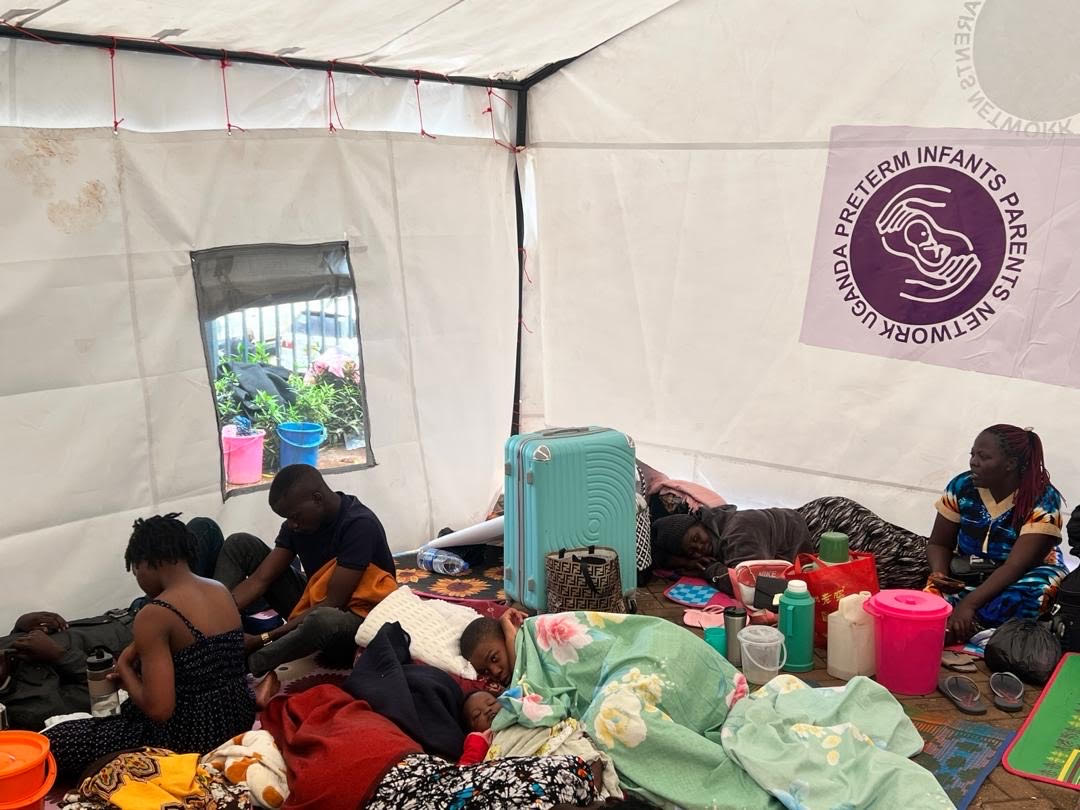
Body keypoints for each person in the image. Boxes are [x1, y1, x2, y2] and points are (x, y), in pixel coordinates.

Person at [43, 514, 255, 781]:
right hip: (237, 716)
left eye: (136, 570)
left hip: (190, 736)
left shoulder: (156, 612)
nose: (139, 579)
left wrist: (124, 671)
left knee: (57, 741)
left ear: (147, 561)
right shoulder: (220, 589)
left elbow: (160, 710)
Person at [212, 465, 397, 692]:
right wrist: (218, 614)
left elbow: (332, 604)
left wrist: (262, 639)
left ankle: (245, 664)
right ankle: (213, 633)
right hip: (313, 603)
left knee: (323, 620)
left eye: (294, 516)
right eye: (287, 519)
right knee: (240, 544)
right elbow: (260, 580)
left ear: (318, 499)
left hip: (356, 619)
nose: (292, 524)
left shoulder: (358, 525)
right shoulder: (297, 525)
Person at [926, 425, 1068, 643]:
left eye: (983, 457)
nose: (974, 461)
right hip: (969, 569)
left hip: (1021, 574)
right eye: (972, 454)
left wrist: (969, 604)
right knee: (927, 593)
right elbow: (939, 543)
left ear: (1010, 464)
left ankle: (980, 628)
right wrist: (938, 576)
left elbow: (1015, 566)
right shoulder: (962, 486)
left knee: (1037, 593)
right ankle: (976, 628)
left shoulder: (1042, 498)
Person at [0, 610, 134, 730]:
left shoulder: (5, 651)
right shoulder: (28, 710)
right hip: (143, 645)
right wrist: (61, 656)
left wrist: (19, 629)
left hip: (128, 614)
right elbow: (109, 696)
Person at [650, 505, 812, 588]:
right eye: (693, 551)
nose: (700, 546)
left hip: (814, 527)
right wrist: (686, 563)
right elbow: (658, 558)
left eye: (696, 537)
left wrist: (709, 569)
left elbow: (748, 584)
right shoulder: (717, 527)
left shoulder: (737, 532)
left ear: (701, 523)